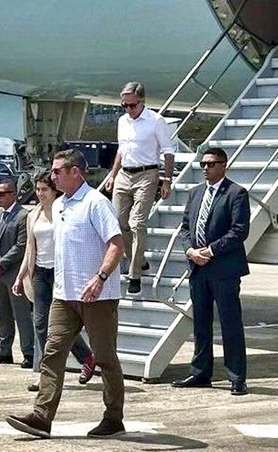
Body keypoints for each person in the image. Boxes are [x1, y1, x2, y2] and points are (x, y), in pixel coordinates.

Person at [6, 149, 125, 439]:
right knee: (52, 354)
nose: (53, 174)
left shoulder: (96, 203)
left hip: (97, 296)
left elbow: (116, 244)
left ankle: (113, 419)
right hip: (64, 296)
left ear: (76, 172)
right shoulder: (59, 205)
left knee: (106, 358)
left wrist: (100, 277)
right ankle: (41, 417)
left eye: (58, 170)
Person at [173, 147, 250, 396]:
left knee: (230, 323)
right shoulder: (196, 193)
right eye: (203, 164)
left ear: (223, 166)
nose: (205, 168)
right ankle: (201, 372)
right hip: (198, 268)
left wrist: (210, 251)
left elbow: (239, 231)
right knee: (201, 324)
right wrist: (191, 251)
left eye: (210, 164)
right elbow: (185, 227)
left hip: (224, 269)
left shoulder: (236, 193)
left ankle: (237, 377)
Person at [12, 171, 96, 392]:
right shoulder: (33, 215)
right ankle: (46, 374)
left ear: (54, 190)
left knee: (61, 325)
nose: (40, 194)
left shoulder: (63, 210)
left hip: (61, 271)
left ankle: (86, 357)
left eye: (44, 190)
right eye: (37, 190)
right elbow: (31, 249)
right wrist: (21, 276)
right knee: (40, 324)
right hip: (40, 272)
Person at [104, 81, 175, 294]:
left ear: (142, 102)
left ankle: (134, 274)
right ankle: (139, 259)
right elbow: (121, 150)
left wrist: (167, 179)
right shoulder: (122, 121)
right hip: (125, 173)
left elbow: (168, 151)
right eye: (124, 105)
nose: (128, 110)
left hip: (147, 173)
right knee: (118, 222)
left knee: (137, 223)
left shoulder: (156, 121)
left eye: (131, 106)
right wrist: (112, 174)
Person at [0, 179, 35, 367]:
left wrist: (2, 263)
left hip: (13, 274)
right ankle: (4, 350)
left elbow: (21, 245)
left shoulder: (23, 216)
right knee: (2, 314)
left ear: (13, 194)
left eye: (3, 193)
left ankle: (29, 352)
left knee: (22, 315)